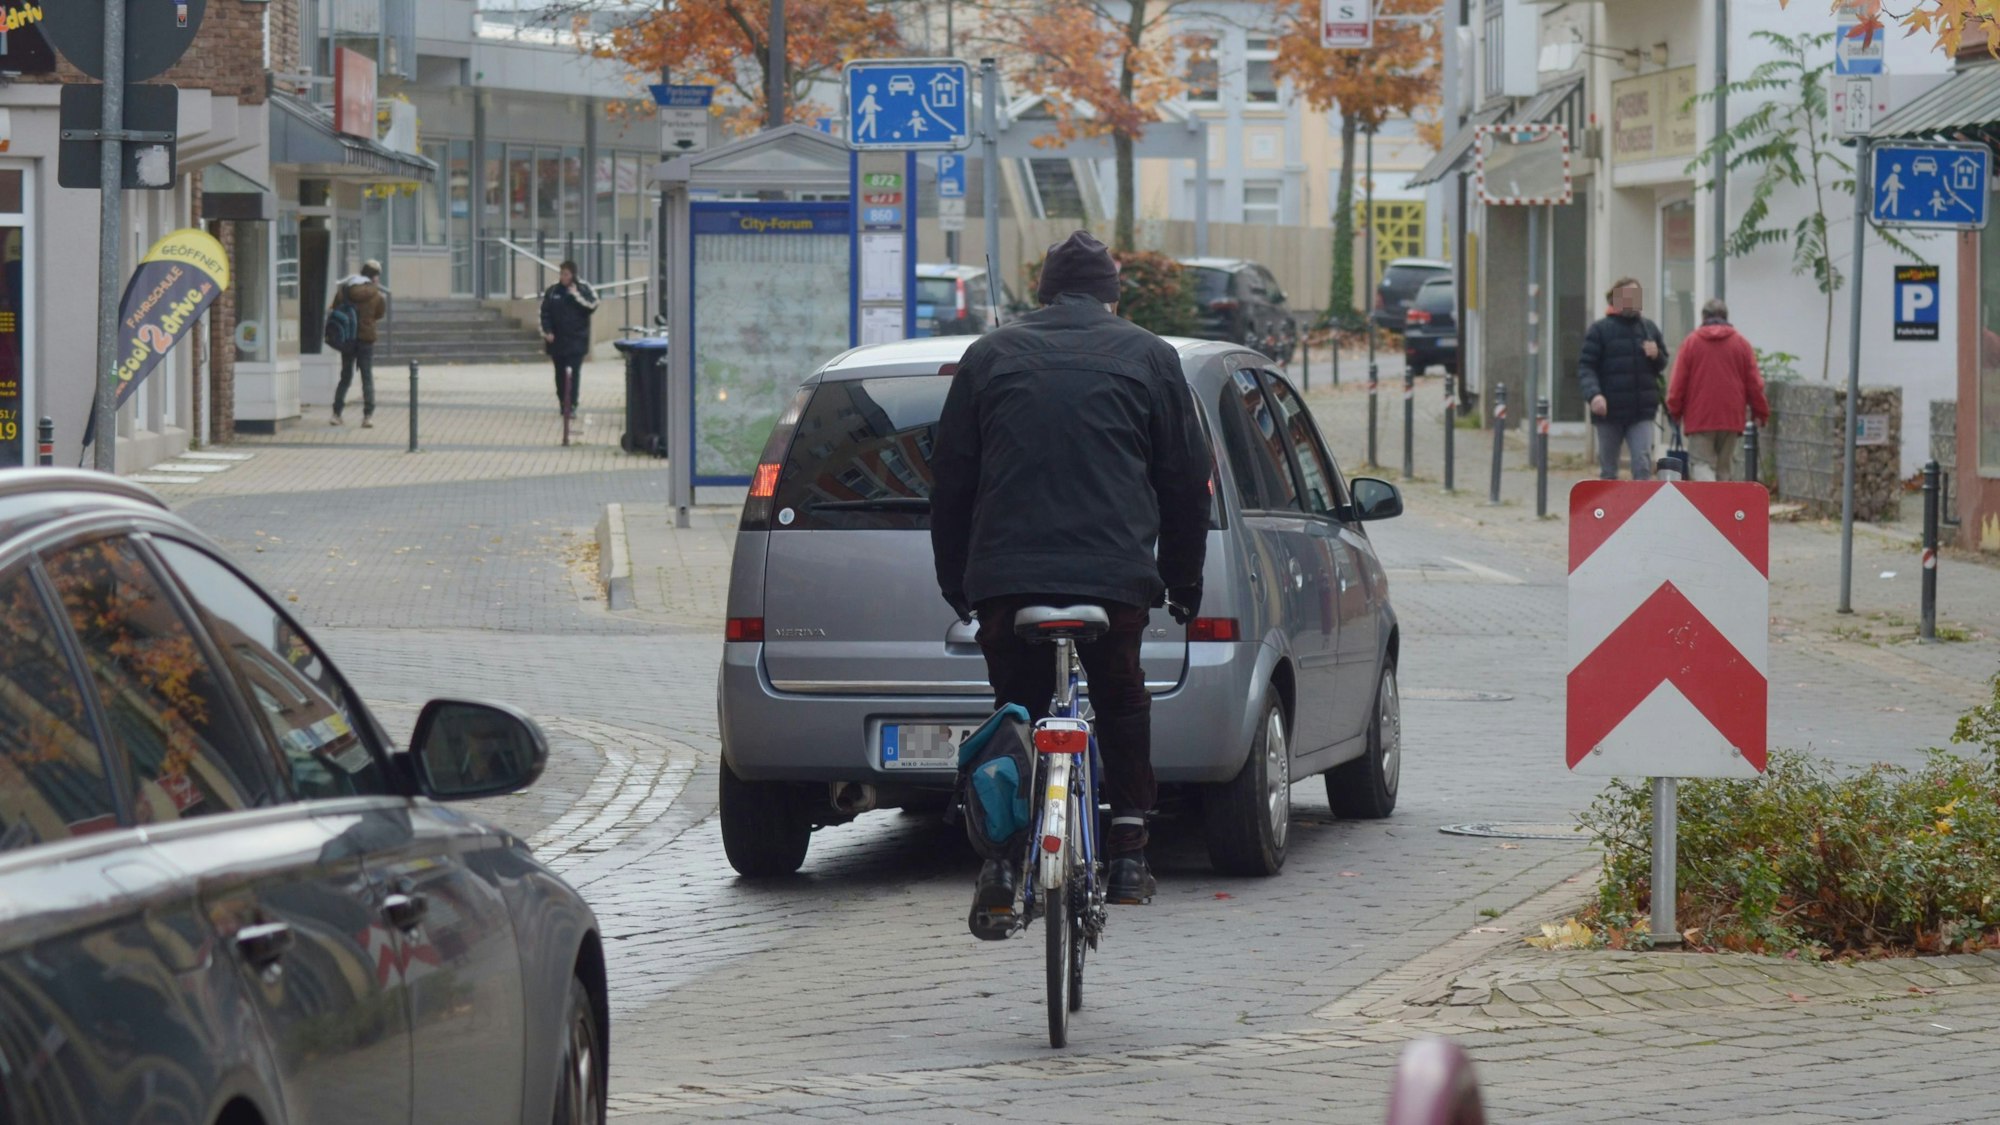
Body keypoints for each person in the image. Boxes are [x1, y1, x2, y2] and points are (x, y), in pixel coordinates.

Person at [931, 230, 1212, 934]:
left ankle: (1001, 862)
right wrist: (1183, 583)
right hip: (1114, 579)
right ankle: (1127, 851)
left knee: (1015, 710)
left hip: (1007, 579)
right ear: (1113, 293)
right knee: (1119, 697)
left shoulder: (989, 354)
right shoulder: (1151, 356)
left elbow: (952, 483)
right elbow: (1185, 483)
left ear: (1044, 290)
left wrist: (960, 585)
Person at [1666, 298, 1769, 482]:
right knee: (1724, 467)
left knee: (1701, 464)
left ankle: (1709, 507)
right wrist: (1760, 412)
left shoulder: (1691, 343)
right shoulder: (1741, 344)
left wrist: (1674, 411)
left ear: (1703, 317)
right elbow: (1754, 383)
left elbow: (1678, 383)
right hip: (1731, 418)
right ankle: (1722, 508)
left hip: (1700, 418)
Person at [1578, 277, 1669, 480]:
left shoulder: (1648, 328)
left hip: (1641, 411)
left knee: (1642, 463)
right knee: (1609, 469)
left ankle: (1641, 508)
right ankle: (1611, 510)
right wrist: (1594, 395)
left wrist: (1657, 355)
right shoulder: (1600, 330)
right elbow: (1586, 366)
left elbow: (1661, 364)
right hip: (1609, 411)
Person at [330, 260, 387, 427]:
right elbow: (379, 313)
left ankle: (336, 413)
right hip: (366, 340)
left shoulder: (345, 290)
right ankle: (367, 416)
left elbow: (335, 308)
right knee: (367, 377)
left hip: (347, 338)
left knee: (345, 377)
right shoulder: (376, 294)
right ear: (374, 277)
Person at [540, 261, 599, 417]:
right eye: (561, 273)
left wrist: (576, 295)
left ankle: (572, 404)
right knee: (560, 374)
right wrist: (548, 331)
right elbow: (545, 312)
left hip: (576, 341)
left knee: (573, 374)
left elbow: (592, 305)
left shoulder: (583, 288)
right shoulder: (553, 291)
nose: (563, 277)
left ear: (572, 275)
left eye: (566, 274)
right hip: (558, 342)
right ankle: (562, 402)